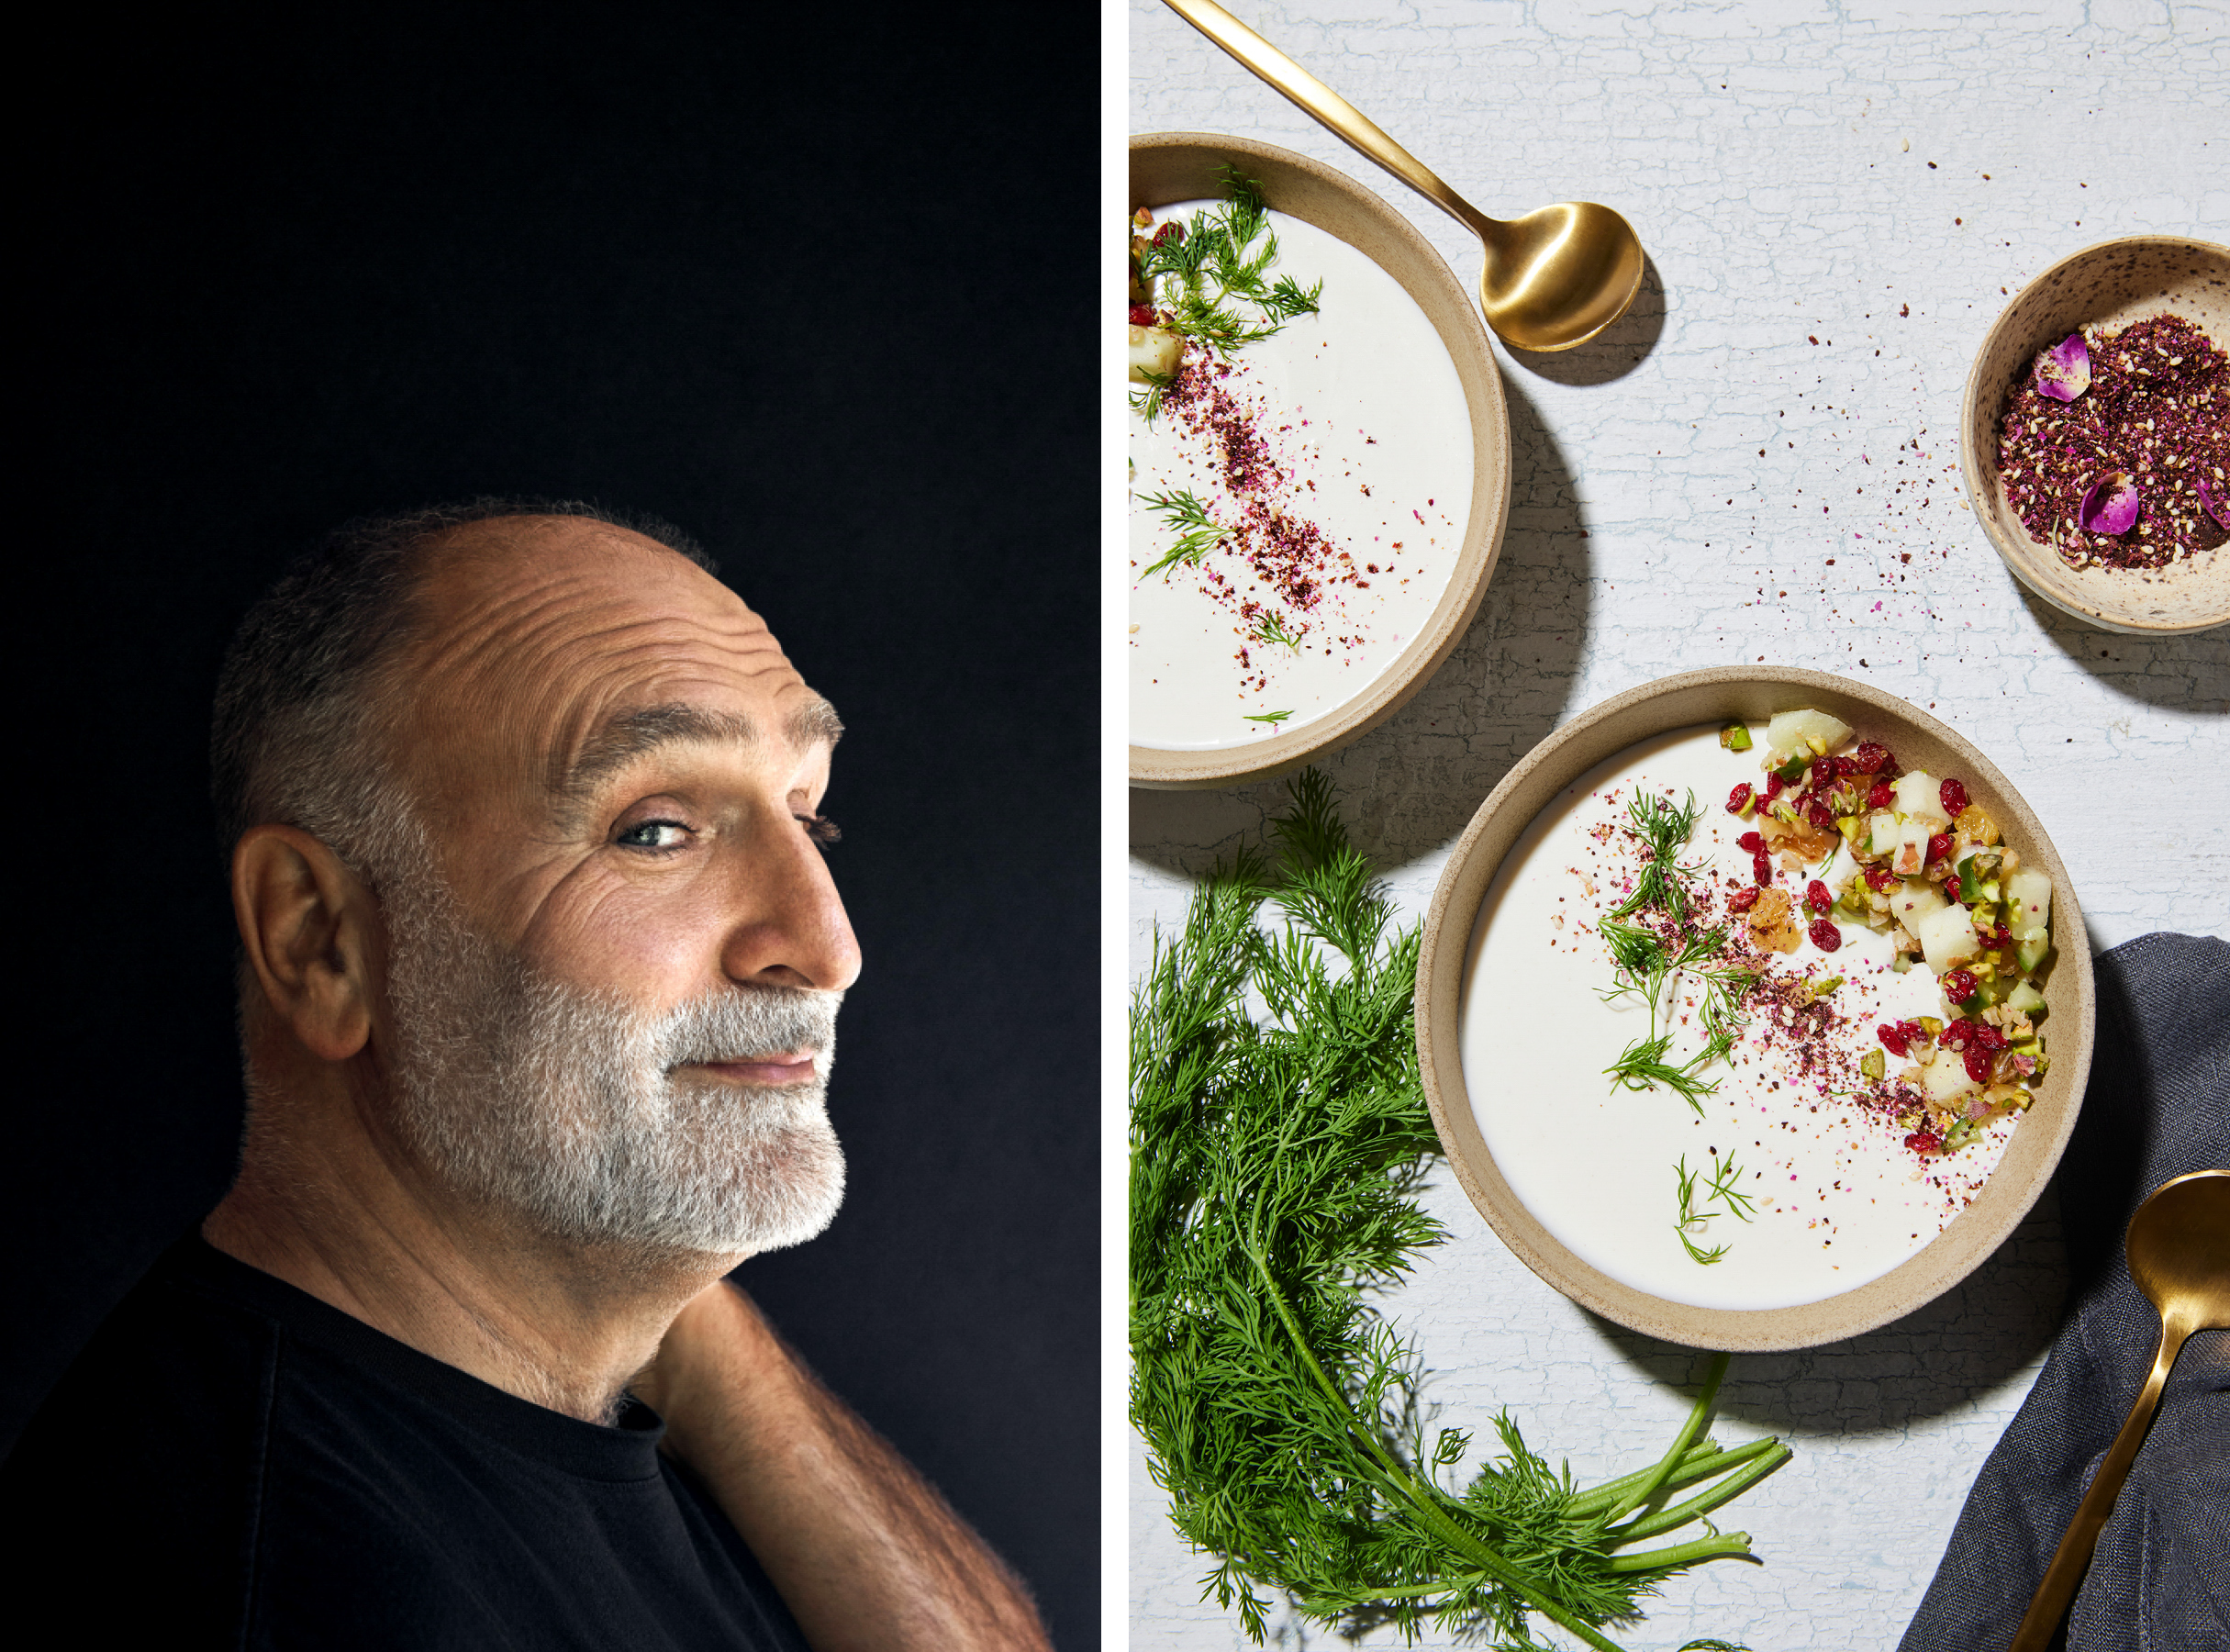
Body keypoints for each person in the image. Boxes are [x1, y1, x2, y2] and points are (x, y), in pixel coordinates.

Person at [2, 502, 1052, 1650]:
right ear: (320, 942)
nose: (829, 948)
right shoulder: (285, 1590)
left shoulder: (576, 1378)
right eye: (655, 830)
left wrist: (677, 1315)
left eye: (809, 816)